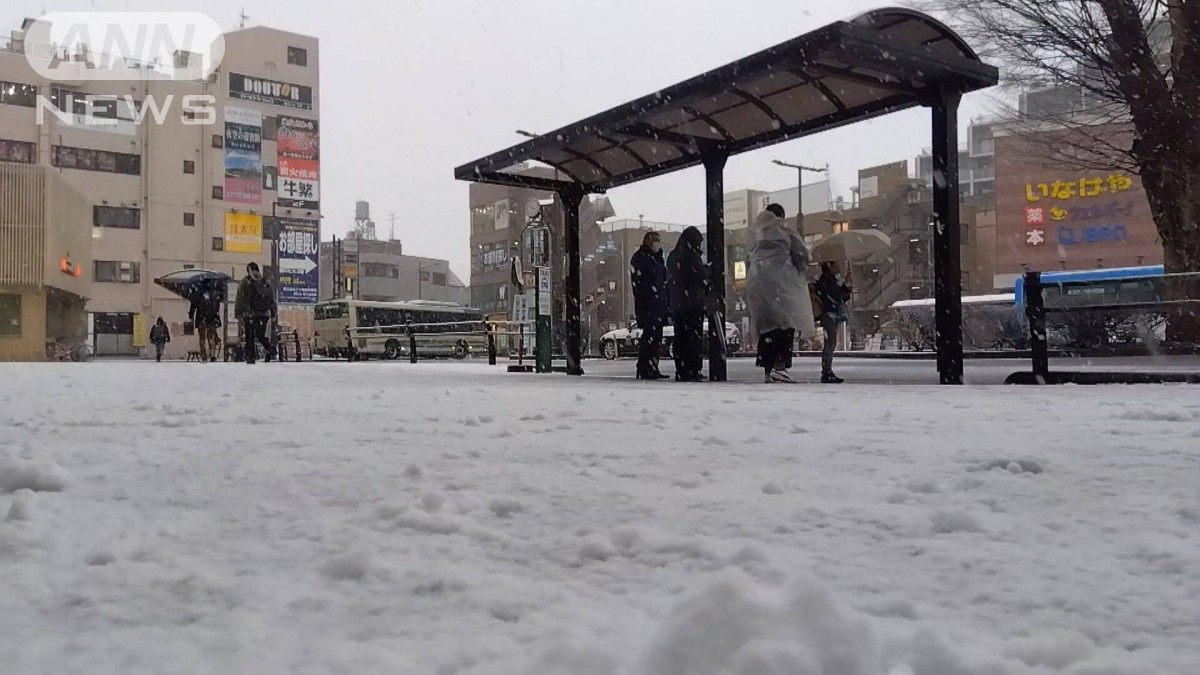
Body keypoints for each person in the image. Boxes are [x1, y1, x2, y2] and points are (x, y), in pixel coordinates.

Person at [746, 204, 817, 383]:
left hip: (758, 286)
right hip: (782, 285)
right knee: (785, 324)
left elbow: (748, 259)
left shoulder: (755, 233)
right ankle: (780, 366)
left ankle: (768, 370)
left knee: (766, 328)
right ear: (780, 216)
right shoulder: (785, 230)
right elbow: (802, 255)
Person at [667, 226, 710, 382]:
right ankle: (693, 369)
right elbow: (702, 276)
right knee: (693, 338)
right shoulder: (691, 256)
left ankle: (682, 370)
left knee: (681, 338)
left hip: (678, 305)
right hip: (693, 304)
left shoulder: (673, 256)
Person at [630, 231, 670, 380]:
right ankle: (645, 367)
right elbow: (640, 285)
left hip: (657, 304)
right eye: (655, 241)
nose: (657, 244)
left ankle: (651, 367)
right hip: (648, 305)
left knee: (655, 337)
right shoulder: (641, 259)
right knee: (650, 337)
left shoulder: (657, 258)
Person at [815, 261, 854, 383]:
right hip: (829, 314)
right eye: (836, 264)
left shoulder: (829, 279)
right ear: (829, 266)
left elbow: (840, 296)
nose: (838, 266)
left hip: (830, 314)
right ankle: (826, 371)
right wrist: (845, 286)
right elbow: (837, 296)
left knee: (831, 342)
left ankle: (827, 370)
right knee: (830, 342)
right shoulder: (827, 280)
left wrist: (846, 288)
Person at [235, 262, 277, 364]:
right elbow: (271, 298)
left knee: (250, 335)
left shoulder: (245, 282)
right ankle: (269, 348)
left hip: (249, 313)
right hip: (263, 314)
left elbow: (240, 298)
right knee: (260, 334)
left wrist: (238, 313)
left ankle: (251, 356)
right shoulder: (265, 281)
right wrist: (273, 313)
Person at [189, 289, 222, 363]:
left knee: (202, 338)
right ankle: (211, 353)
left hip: (201, 319)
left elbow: (193, 306)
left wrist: (191, 316)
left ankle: (204, 355)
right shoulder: (214, 295)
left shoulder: (198, 295)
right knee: (210, 337)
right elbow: (217, 307)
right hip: (211, 319)